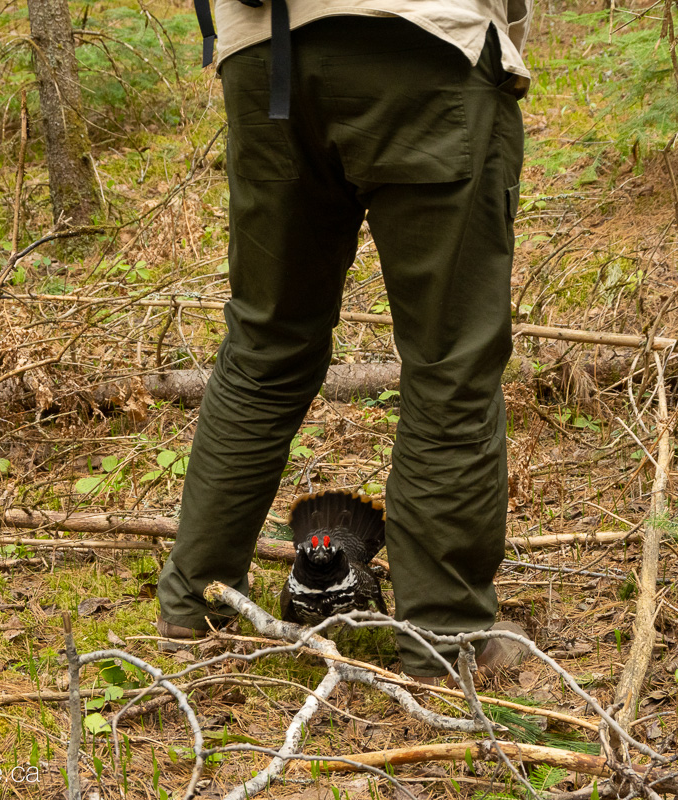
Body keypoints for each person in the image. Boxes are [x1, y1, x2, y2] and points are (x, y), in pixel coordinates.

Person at [156, 0, 533, 681]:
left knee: (265, 343)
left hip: (267, 54)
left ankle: (195, 606)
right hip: (426, 46)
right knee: (450, 363)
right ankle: (442, 633)